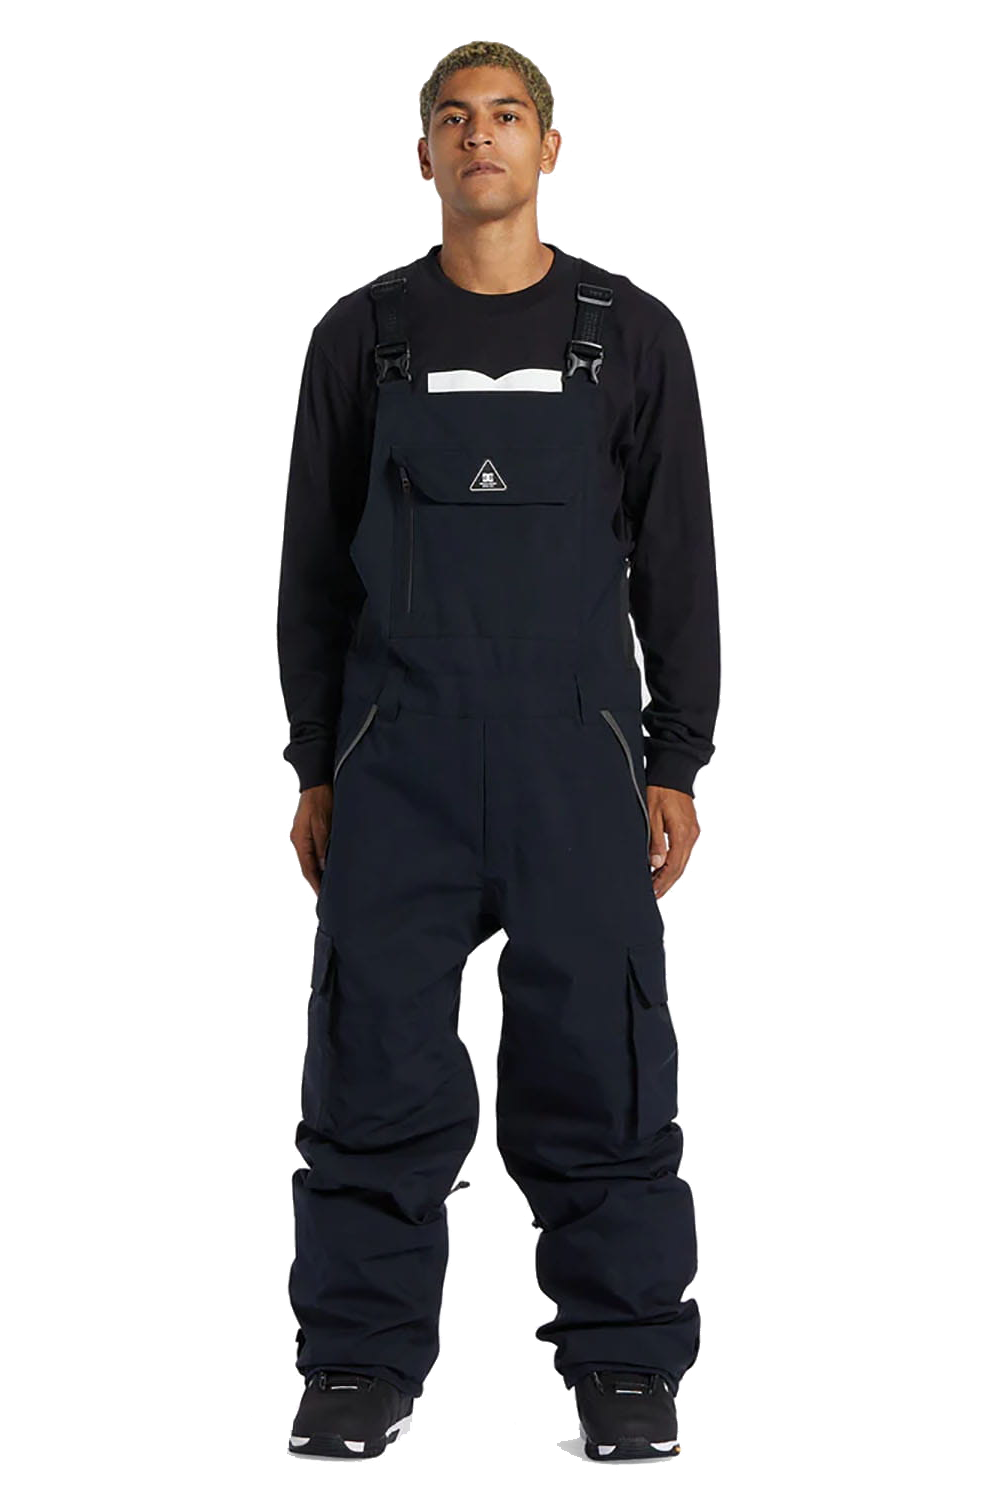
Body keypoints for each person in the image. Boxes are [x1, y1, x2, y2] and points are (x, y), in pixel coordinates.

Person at [276, 40, 721, 1465]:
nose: (482, 138)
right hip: (395, 763)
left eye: (508, 116)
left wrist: (677, 758)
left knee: (603, 1069)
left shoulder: (629, 332)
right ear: (424, 154)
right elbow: (312, 575)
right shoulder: (361, 336)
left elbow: (678, 565)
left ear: (548, 149)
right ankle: (356, 1369)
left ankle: (626, 1371)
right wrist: (314, 763)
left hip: (575, 766)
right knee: (371, 1069)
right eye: (456, 119)